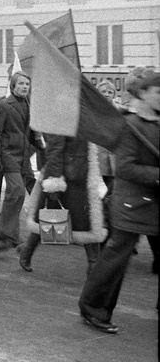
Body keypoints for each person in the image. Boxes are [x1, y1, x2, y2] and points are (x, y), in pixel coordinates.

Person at [78, 71, 159, 334]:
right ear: (142, 94)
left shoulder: (156, 122)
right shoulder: (130, 124)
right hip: (132, 204)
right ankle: (93, 307)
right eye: (157, 92)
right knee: (115, 259)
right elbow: (124, 167)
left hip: (154, 204)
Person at [17, 134, 104, 274]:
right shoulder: (64, 117)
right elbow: (54, 150)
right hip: (66, 178)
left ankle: (94, 264)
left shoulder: (81, 116)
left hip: (78, 177)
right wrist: (54, 182)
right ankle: (26, 252)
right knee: (51, 218)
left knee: (85, 220)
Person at [0, 72, 44, 252]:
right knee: (17, 190)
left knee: (22, 192)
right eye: (21, 83)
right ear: (12, 86)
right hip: (8, 155)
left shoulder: (30, 106)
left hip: (24, 157)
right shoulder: (3, 105)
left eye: (27, 84)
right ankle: (7, 235)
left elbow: (32, 134)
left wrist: (45, 150)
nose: (25, 87)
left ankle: (8, 235)